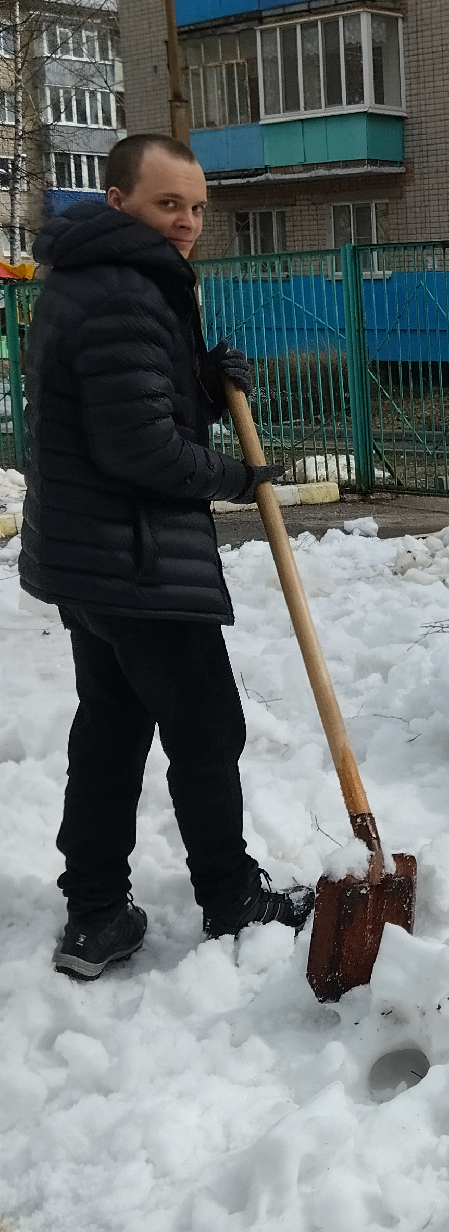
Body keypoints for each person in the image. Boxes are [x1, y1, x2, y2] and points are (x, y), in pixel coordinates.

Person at [20, 133, 314, 979]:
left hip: (92, 560)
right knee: (207, 725)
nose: (186, 223)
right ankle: (230, 898)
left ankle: (97, 914)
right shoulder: (126, 292)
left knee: (110, 729)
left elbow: (129, 412)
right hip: (137, 561)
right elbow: (141, 450)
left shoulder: (94, 280)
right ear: (118, 201)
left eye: (195, 208)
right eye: (166, 204)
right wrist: (239, 475)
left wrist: (202, 386)